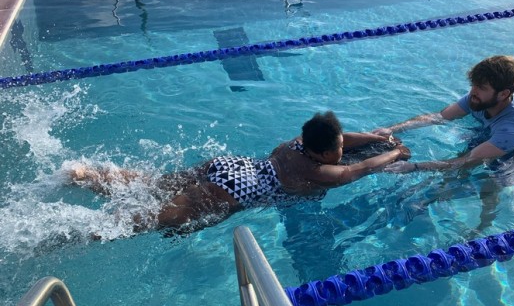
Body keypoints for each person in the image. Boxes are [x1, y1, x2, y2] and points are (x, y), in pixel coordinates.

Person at [67, 111, 411, 233]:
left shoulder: (294, 145)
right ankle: (85, 229)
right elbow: (358, 171)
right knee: (158, 217)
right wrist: (393, 150)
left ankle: (85, 175)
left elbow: (344, 139)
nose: (342, 150)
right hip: (237, 189)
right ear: (323, 153)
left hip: (233, 165)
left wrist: (375, 136)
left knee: (155, 183)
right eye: (337, 149)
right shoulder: (318, 172)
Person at [375, 55, 514, 172]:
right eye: (473, 85)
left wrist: (415, 167)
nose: (473, 91)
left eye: (481, 88)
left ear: (503, 94)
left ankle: (482, 224)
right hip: (493, 132)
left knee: (486, 181)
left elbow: (465, 161)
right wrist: (392, 129)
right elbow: (439, 117)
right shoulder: (479, 97)